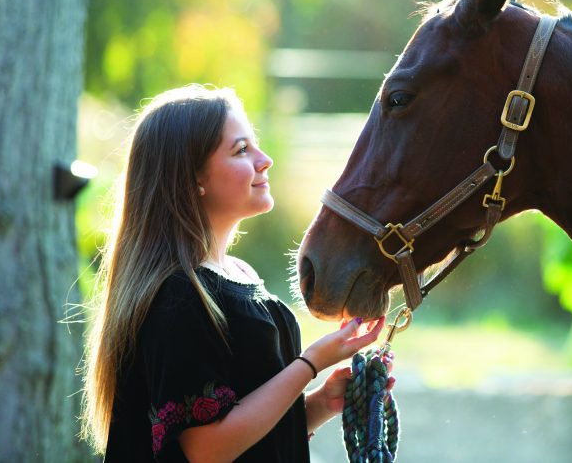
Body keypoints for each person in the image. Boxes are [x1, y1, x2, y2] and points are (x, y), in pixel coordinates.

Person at [80, 84, 386, 461]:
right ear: (192, 177)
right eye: (242, 150)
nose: (264, 160)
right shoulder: (178, 296)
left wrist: (321, 404)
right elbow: (206, 451)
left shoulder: (239, 275)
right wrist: (309, 364)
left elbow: (247, 438)